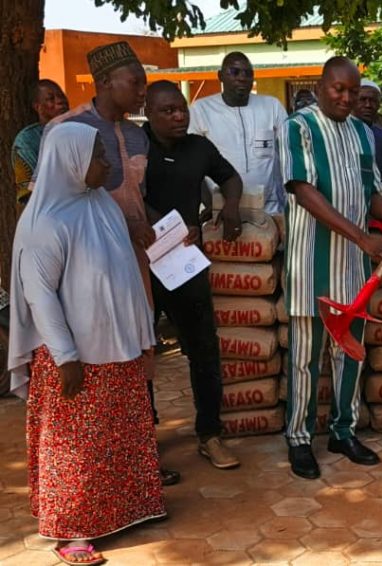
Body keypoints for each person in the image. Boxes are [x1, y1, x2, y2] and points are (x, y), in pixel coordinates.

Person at [8, 122, 166, 565]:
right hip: (75, 358)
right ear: (71, 161)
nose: (107, 162)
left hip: (118, 349)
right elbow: (40, 296)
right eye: (98, 155)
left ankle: (128, 509)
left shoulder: (101, 206)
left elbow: (126, 277)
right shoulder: (44, 222)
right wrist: (65, 357)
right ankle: (73, 529)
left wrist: (143, 335)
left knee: (118, 437)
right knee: (75, 447)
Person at [42, 41, 180, 486]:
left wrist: (161, 227)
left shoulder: (138, 135)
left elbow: (137, 199)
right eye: (135, 82)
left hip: (134, 264)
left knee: (140, 355)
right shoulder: (67, 131)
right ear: (104, 83)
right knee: (100, 366)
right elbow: (58, 202)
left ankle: (142, 458)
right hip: (86, 271)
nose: (143, 91)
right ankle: (95, 471)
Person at [279, 57, 382, 479]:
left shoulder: (362, 132)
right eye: (339, 89)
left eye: (353, 91)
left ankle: (343, 431)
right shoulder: (298, 127)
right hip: (310, 265)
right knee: (305, 358)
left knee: (349, 353)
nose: (347, 98)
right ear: (320, 87)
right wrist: (362, 237)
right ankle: (299, 438)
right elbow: (304, 191)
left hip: (353, 269)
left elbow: (371, 194)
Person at [143, 81, 244, 470]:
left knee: (204, 350)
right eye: (167, 110)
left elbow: (230, 177)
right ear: (149, 112)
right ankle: (144, 439)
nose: (178, 116)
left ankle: (210, 434)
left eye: (181, 109)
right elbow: (125, 197)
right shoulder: (134, 146)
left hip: (184, 264)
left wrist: (230, 205)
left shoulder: (199, 147)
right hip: (141, 266)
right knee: (142, 352)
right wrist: (165, 227)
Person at [190, 52, 288, 214]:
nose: (242, 78)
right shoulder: (201, 110)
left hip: (268, 209)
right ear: (220, 76)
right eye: (234, 72)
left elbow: (288, 150)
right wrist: (210, 205)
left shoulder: (272, 106)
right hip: (220, 208)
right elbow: (193, 163)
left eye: (248, 73)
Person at [12, 79, 68, 212]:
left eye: (61, 96)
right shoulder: (26, 141)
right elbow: (29, 193)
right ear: (38, 107)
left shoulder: (81, 131)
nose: (60, 101)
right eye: (51, 99)